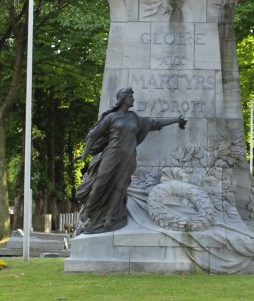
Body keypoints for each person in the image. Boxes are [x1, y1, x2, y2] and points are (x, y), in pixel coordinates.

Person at [75, 87, 185, 234]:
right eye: (130, 97)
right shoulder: (111, 117)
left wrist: (177, 120)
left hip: (128, 157)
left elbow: (154, 123)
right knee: (100, 182)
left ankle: (110, 217)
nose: (133, 99)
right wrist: (84, 154)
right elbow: (93, 135)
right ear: (123, 98)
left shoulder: (134, 118)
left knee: (121, 187)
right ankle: (88, 212)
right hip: (111, 155)